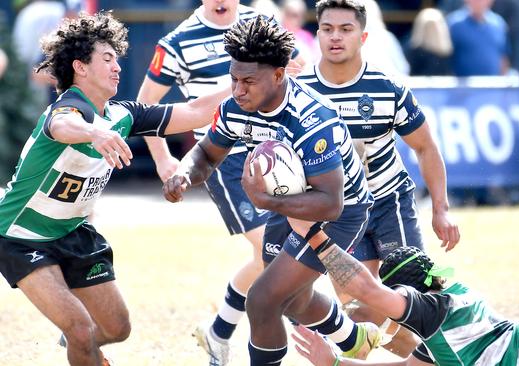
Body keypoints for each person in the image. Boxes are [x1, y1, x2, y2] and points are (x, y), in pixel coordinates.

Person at [0, 12, 227, 366]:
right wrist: (95, 133)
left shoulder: (123, 116)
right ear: (80, 67)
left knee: (117, 328)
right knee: (80, 329)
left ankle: (81, 344)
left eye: (117, 59)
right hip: (21, 235)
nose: (118, 67)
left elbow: (196, 110)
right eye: (107, 59)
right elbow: (62, 125)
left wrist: (245, 79)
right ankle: (79, 339)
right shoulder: (68, 108)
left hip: (73, 233)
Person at [162, 15, 381, 366]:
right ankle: (355, 339)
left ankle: (349, 339)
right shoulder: (236, 107)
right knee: (292, 300)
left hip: (342, 210)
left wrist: (264, 199)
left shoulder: (311, 119)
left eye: (248, 81)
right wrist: (185, 174)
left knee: (262, 300)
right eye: (233, 79)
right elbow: (206, 152)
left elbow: (331, 204)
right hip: (288, 203)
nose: (237, 90)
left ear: (279, 75)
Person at [137, 2, 304, 364]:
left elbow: (296, 66)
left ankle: (218, 332)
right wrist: (163, 158)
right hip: (222, 158)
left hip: (275, 150)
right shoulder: (177, 42)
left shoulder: (262, 21)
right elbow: (146, 102)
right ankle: (327, 331)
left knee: (274, 252)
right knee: (273, 249)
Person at [297, 0, 460, 357]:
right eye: (327, 29)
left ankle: (443, 355)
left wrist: (441, 210)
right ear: (318, 33)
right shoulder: (299, 92)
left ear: (363, 36)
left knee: (414, 296)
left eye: (345, 29)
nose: (335, 37)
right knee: (362, 311)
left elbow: (426, 147)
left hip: (389, 203)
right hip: (338, 212)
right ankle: (412, 357)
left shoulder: (387, 88)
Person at [286, 224, 519, 366]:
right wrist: (334, 363)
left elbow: (363, 287)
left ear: (406, 294)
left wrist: (314, 236)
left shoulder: (434, 313)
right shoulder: (446, 309)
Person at [447, 0, 509, 76]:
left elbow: (503, 58)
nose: (479, 2)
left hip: (493, 85)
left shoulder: (499, 24)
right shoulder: (454, 24)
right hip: (462, 86)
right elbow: (446, 61)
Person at [404, 7, 453, 76]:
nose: (431, 30)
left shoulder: (447, 53)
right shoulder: (413, 52)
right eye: (428, 26)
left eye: (434, 26)